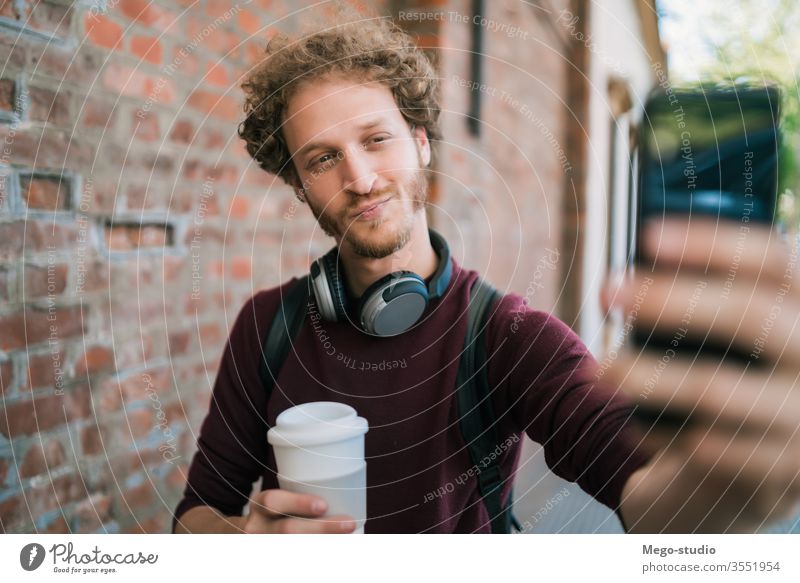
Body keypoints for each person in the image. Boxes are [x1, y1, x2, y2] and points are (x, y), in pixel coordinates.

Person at [172, 15, 800, 534]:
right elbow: (197, 513)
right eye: (323, 158)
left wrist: (733, 485)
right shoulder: (266, 324)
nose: (359, 179)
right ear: (300, 185)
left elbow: (647, 495)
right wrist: (242, 544)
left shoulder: (507, 334)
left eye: (377, 140)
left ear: (421, 142)